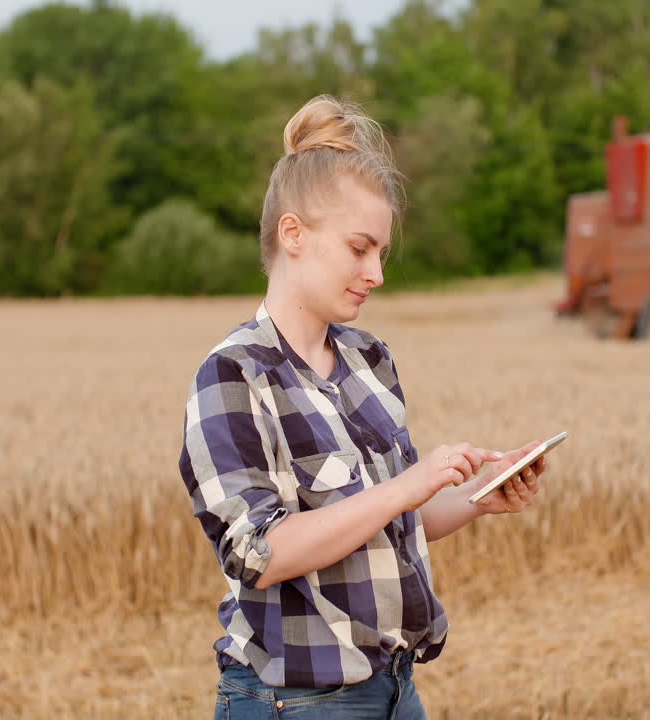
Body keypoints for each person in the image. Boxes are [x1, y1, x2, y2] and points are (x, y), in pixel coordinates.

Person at [179, 95, 548, 720]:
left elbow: (384, 521)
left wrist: (478, 499)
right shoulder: (233, 374)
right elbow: (255, 555)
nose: (376, 272)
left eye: (381, 252)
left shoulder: (368, 359)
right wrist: (409, 485)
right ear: (292, 234)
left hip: (396, 687)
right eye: (359, 248)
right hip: (293, 702)